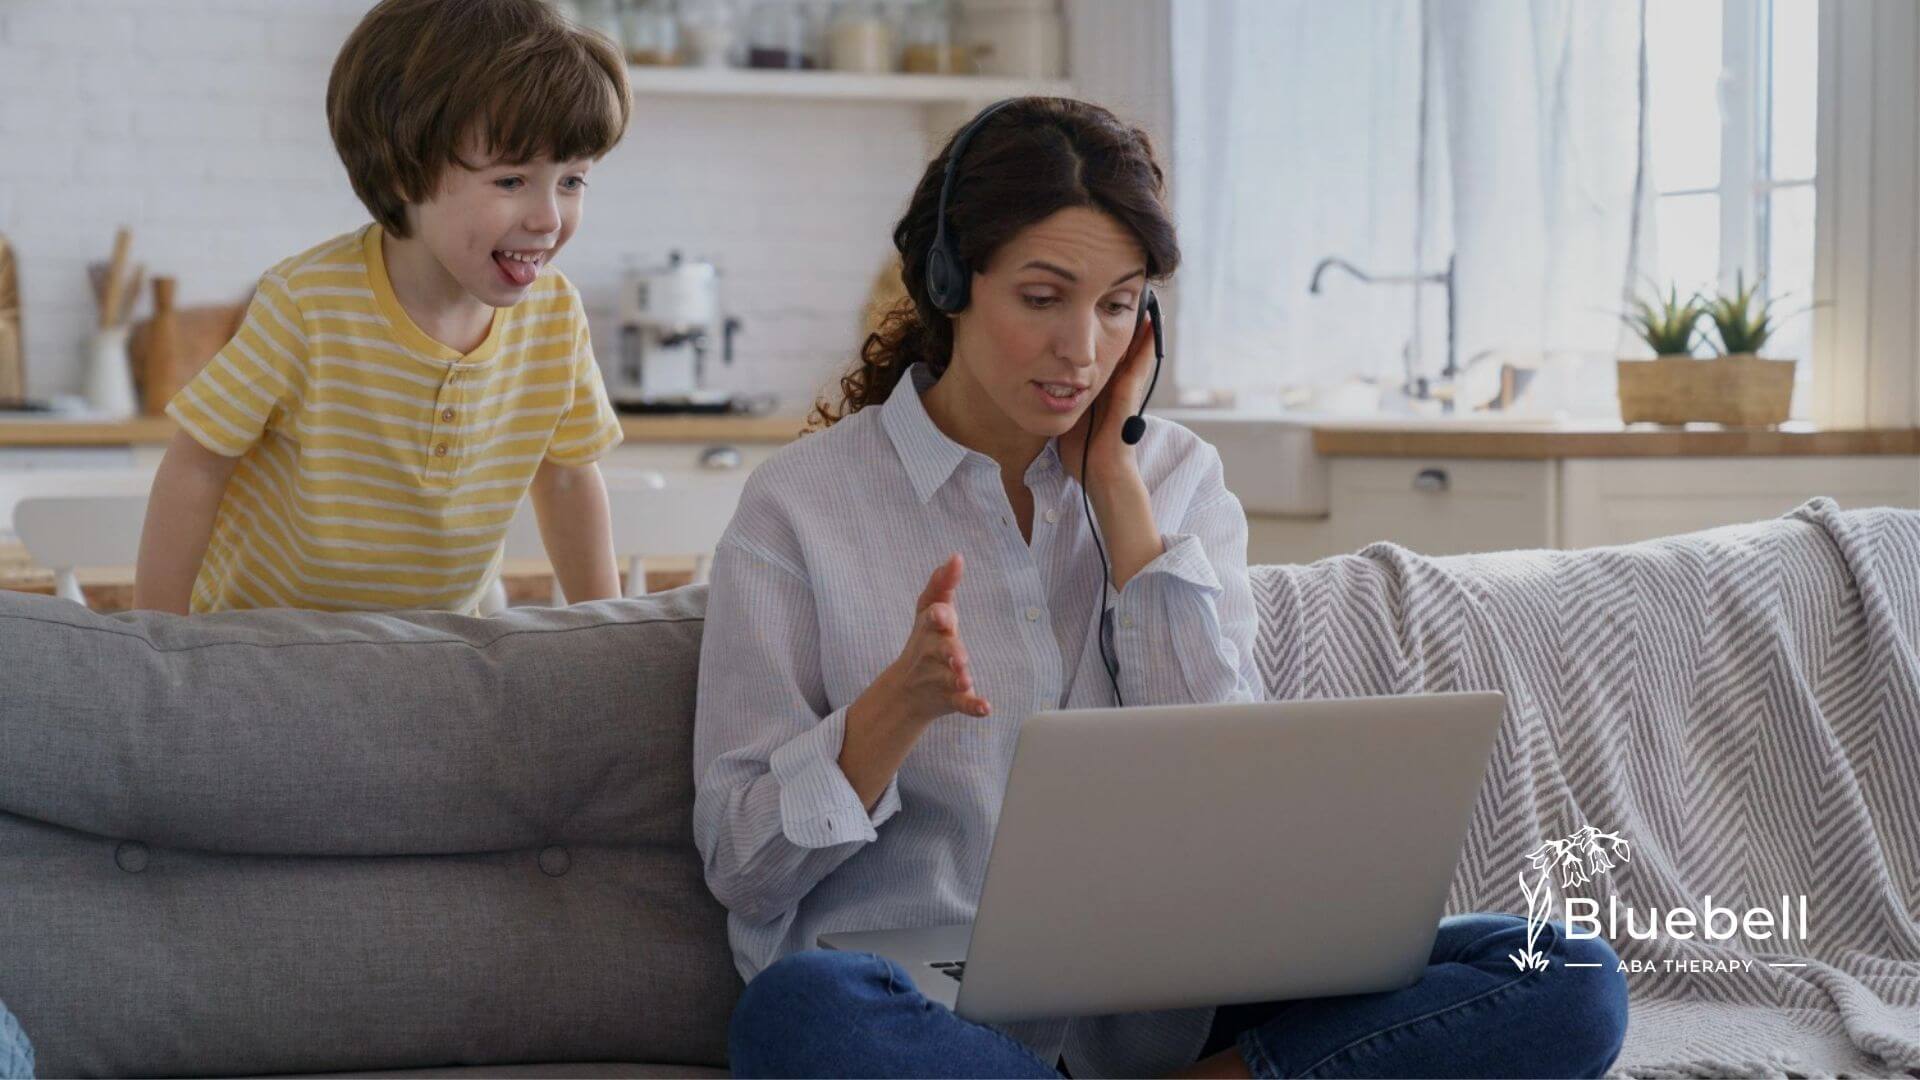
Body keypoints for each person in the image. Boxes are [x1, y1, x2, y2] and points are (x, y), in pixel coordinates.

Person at [694, 96, 1629, 1078]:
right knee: (803, 1016)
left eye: (1115, 304)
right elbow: (744, 870)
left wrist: (1116, 489)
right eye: (1042, 298)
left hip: (1167, 1008)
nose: (1083, 352)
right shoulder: (799, 507)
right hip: (934, 1014)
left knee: (1565, 977)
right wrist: (893, 710)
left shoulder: (1175, 480)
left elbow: (1230, 797)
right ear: (950, 281)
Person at [134, 0, 629, 614]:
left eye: (572, 181)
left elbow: (566, 477)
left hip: (437, 658)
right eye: (510, 180)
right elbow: (197, 465)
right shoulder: (306, 303)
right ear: (402, 172)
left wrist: (605, 630)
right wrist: (157, 640)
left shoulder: (556, 315)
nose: (548, 218)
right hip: (263, 654)